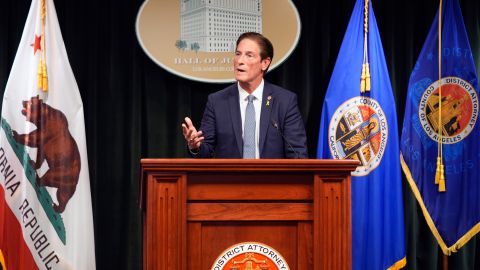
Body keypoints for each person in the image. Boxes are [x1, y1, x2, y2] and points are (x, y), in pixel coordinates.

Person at [182, 32, 308, 158]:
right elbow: (206, 151)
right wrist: (195, 147)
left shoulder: (285, 101)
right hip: (230, 177)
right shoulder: (217, 101)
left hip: (272, 177)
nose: (240, 61)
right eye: (238, 54)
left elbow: (298, 154)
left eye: (249, 55)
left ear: (264, 63)